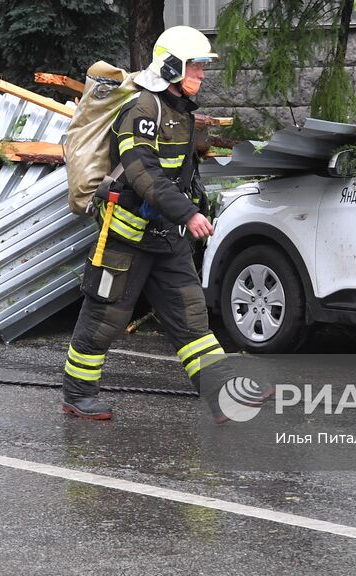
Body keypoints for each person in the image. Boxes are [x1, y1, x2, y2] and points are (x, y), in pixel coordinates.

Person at [61, 25, 237, 421]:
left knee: (191, 317)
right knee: (105, 319)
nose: (202, 75)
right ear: (173, 67)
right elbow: (143, 174)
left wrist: (190, 205)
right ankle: (78, 394)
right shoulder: (142, 110)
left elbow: (179, 173)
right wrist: (188, 213)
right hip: (125, 237)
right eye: (195, 67)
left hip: (166, 237)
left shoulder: (181, 111)